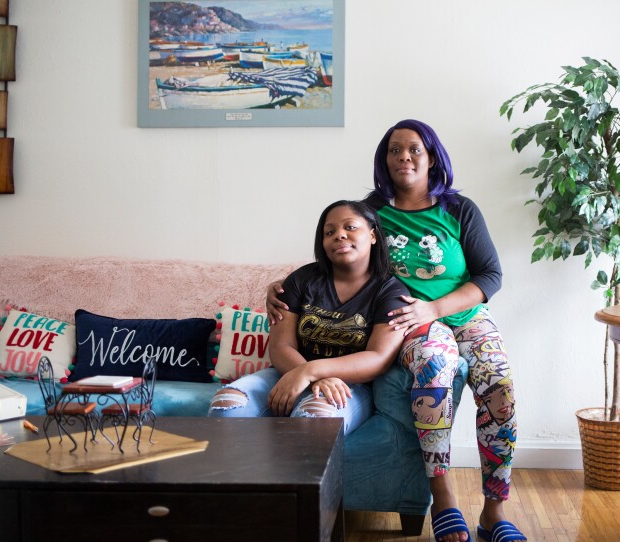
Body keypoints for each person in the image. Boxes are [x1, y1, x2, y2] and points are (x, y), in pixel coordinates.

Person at [267, 120, 523, 542]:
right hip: (407, 324)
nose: (403, 157)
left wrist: (435, 307)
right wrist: (272, 288)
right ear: (383, 161)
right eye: (394, 150)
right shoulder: (372, 211)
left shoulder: (459, 209)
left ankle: (494, 513)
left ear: (432, 158)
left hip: (464, 316)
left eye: (414, 149)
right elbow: (338, 255)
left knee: (499, 386)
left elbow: (491, 276)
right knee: (436, 372)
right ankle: (442, 498)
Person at [208, 200, 409, 437]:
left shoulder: (392, 292)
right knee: (227, 404)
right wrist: (307, 375)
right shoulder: (301, 280)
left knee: (315, 419)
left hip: (347, 386)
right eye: (329, 232)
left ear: (373, 235)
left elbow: (378, 358)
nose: (340, 235)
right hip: (287, 372)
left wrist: (311, 372)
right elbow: (281, 345)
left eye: (350, 227)